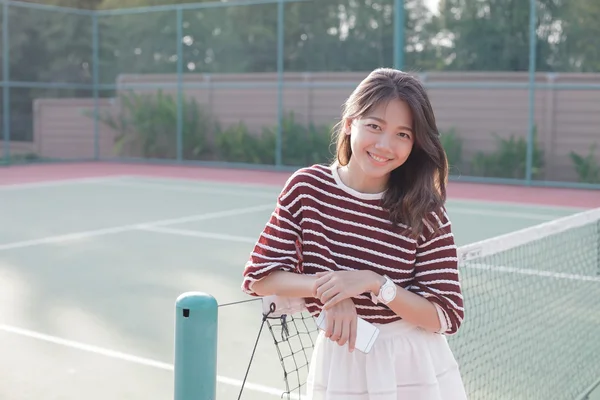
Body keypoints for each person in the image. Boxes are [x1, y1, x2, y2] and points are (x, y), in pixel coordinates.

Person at [241, 68, 467, 400]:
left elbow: (446, 315)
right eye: (374, 126)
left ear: (416, 143)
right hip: (341, 363)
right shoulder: (308, 188)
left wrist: (375, 283)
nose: (385, 145)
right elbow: (258, 277)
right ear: (350, 123)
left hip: (413, 366)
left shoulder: (424, 209)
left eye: (403, 134)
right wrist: (332, 292)